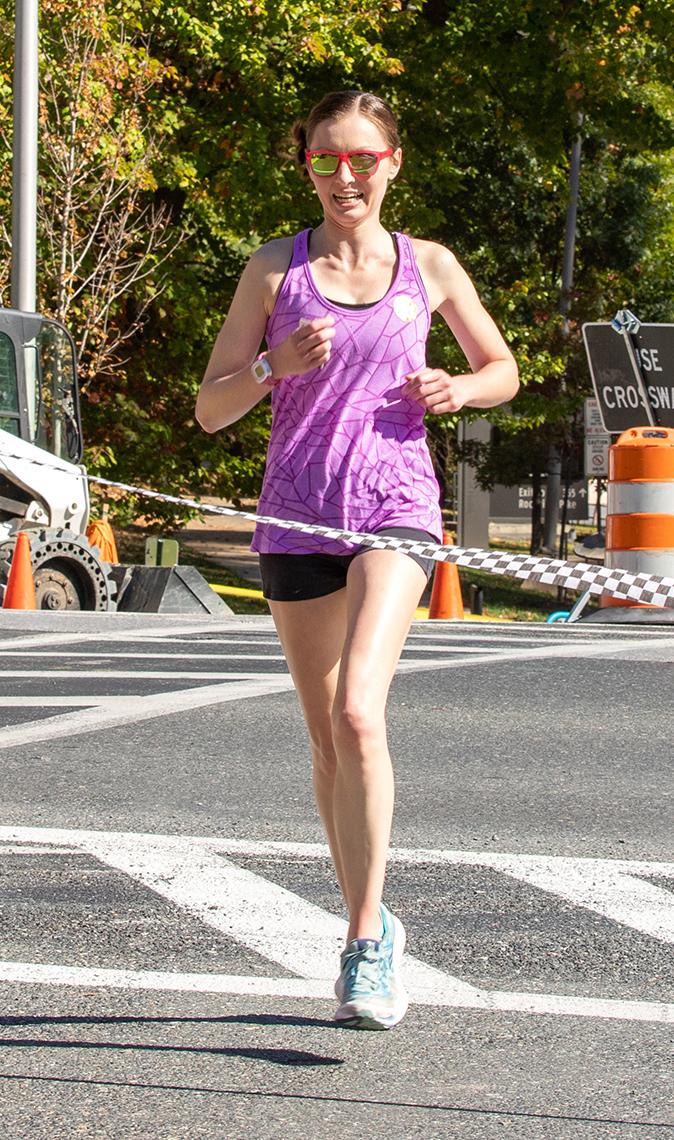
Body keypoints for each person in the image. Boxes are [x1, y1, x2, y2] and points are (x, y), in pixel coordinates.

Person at [196, 90, 519, 1031]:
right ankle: (365, 915)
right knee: (327, 741)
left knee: (357, 713)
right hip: (296, 519)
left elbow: (500, 367)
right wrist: (272, 367)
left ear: (392, 162)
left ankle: (367, 939)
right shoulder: (272, 269)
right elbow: (210, 408)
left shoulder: (429, 266)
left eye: (362, 160)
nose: (345, 178)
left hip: (395, 510)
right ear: (308, 168)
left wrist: (457, 386)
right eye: (326, 162)